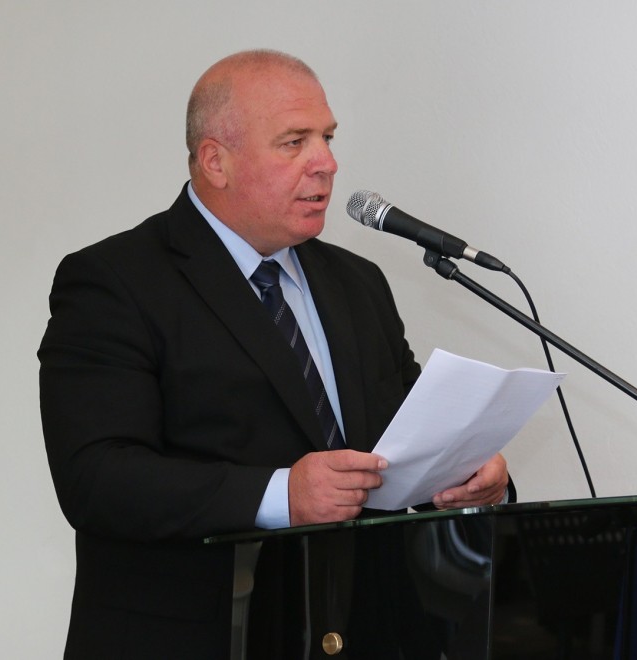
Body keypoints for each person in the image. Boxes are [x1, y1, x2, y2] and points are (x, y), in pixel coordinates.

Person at [39, 49, 511, 659]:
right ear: (216, 161)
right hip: (197, 637)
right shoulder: (116, 281)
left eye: (327, 138)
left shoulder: (357, 282)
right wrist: (280, 495)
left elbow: (408, 436)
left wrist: (468, 474)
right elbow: (96, 478)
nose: (327, 163)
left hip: (359, 631)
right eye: (295, 142)